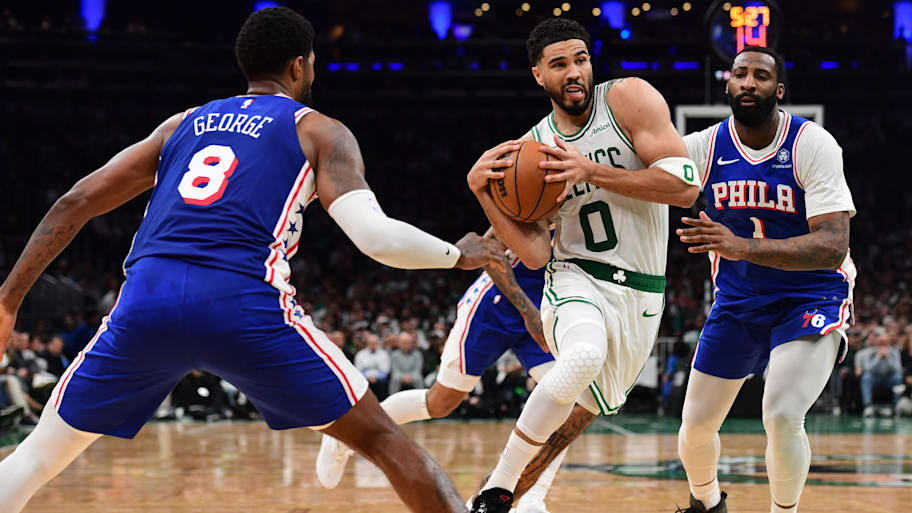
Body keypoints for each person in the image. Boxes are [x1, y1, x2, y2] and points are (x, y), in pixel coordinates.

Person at [0, 7, 506, 513]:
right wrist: (458, 253)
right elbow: (375, 238)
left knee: (38, 456)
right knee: (384, 443)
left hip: (144, 303)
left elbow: (74, 203)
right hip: (241, 304)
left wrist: (7, 301)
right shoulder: (319, 130)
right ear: (299, 66)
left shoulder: (182, 124)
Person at [466, 18, 700, 512]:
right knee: (582, 357)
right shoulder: (532, 150)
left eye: (580, 60)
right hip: (577, 277)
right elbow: (534, 253)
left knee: (573, 422)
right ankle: (495, 491)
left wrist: (589, 170)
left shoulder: (629, 99)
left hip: (641, 292)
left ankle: (495, 499)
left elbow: (685, 186)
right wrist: (482, 192)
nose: (573, 72)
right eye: (559, 64)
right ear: (538, 75)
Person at [674, 46, 856, 513]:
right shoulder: (701, 148)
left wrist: (738, 246)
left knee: (779, 414)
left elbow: (833, 245)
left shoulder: (812, 144)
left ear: (778, 90)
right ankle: (708, 504)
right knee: (694, 428)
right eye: (740, 74)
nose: (748, 82)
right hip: (738, 300)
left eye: (760, 75)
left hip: (810, 295)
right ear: (728, 85)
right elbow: (638, 176)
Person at [317, 233, 562, 513]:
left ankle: (532, 500)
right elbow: (489, 249)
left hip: (543, 305)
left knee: (565, 400)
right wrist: (528, 312)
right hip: (495, 305)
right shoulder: (537, 197)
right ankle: (345, 434)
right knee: (440, 402)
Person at [857, 327, 902, 417]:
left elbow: (897, 369)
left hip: (888, 379)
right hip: (875, 379)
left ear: (888, 342)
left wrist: (888, 358)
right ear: (877, 342)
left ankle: (895, 406)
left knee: (898, 376)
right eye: (881, 342)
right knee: (866, 377)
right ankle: (868, 406)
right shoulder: (870, 352)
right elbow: (867, 368)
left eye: (885, 342)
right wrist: (878, 357)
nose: (883, 344)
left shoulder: (894, 352)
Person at [353, 332, 391, 400]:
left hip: (379, 379)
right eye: (371, 343)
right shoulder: (360, 354)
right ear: (367, 343)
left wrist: (376, 377)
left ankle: (382, 404)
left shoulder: (384, 354)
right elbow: (358, 370)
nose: (373, 345)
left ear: (378, 343)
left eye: (375, 343)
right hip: (364, 379)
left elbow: (386, 370)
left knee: (383, 383)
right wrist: (368, 377)